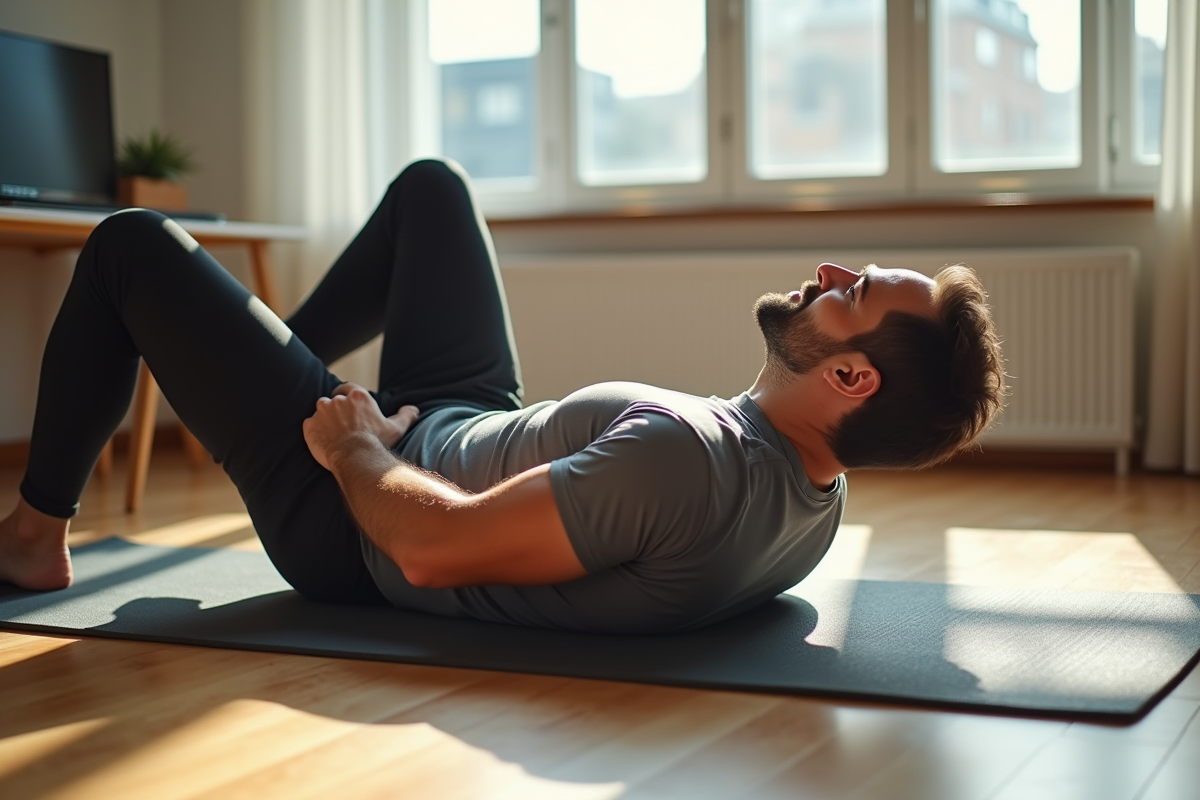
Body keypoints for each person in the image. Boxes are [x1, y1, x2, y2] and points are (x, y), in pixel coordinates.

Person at [0, 160, 1005, 634]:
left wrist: (356, 445)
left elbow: (434, 549)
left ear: (851, 377)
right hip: (465, 416)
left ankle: (34, 534)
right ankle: (259, 358)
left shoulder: (684, 462)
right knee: (434, 189)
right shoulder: (814, 500)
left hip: (353, 513)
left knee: (129, 243)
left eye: (854, 293)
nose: (829, 269)